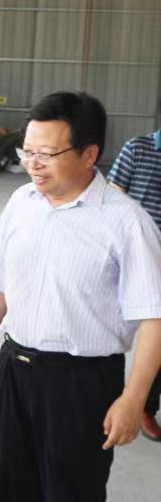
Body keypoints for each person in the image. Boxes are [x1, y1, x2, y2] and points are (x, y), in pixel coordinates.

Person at [0, 92, 161, 501]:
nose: (32, 163)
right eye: (27, 151)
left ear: (89, 155)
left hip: (81, 383)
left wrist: (134, 398)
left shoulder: (126, 222)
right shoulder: (22, 202)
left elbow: (155, 317)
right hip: (16, 368)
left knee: (71, 492)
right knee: (15, 487)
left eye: (47, 154)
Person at [107, 126, 161, 441]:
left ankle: (145, 407)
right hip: (133, 256)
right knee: (107, 326)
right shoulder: (137, 149)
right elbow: (112, 198)